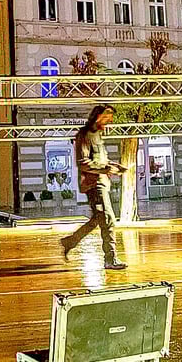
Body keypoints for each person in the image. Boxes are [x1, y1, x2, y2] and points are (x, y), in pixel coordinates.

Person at [60, 105, 127, 270]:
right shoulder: (85, 135)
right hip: (94, 185)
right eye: (106, 118)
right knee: (108, 220)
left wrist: (114, 166)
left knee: (98, 220)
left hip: (102, 183)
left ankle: (71, 241)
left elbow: (100, 160)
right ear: (98, 117)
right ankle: (110, 259)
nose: (109, 121)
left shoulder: (97, 135)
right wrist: (103, 169)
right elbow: (83, 163)